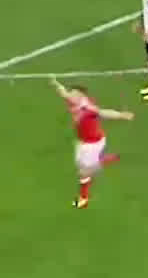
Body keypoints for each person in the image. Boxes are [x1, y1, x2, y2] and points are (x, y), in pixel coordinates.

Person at [50, 78, 130, 209]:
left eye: (74, 94)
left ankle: (84, 199)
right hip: (83, 142)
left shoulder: (87, 108)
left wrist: (121, 115)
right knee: (81, 165)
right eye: (72, 93)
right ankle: (105, 159)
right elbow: (64, 93)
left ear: (82, 96)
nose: (71, 96)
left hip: (93, 143)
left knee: (84, 172)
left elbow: (104, 113)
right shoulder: (72, 101)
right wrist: (56, 84)